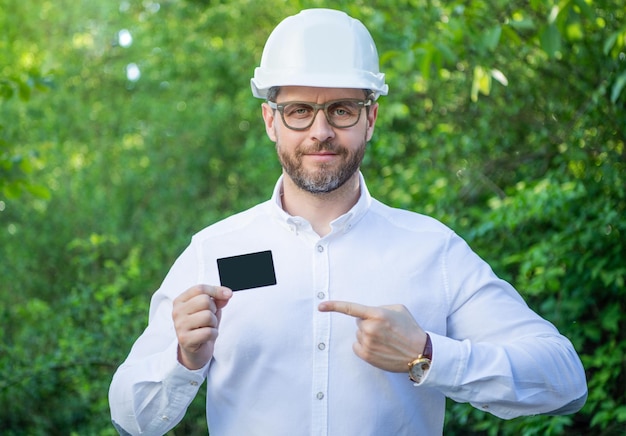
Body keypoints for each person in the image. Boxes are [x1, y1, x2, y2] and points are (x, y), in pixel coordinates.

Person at [109, 8, 587, 435]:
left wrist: (428, 354)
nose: (321, 131)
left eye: (342, 109)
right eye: (299, 111)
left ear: (371, 118)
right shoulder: (214, 251)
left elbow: (564, 380)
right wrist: (184, 361)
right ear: (270, 121)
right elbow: (130, 417)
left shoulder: (432, 250)